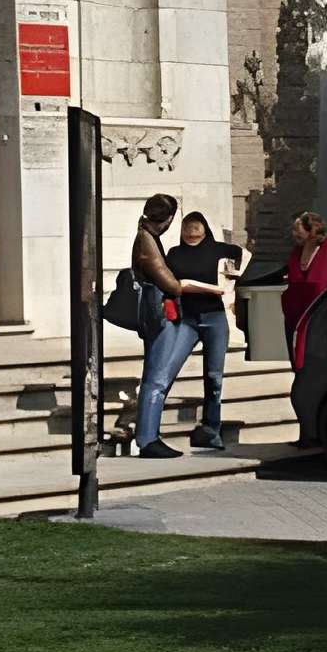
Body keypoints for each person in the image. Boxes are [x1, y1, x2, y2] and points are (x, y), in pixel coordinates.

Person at [130, 194, 213, 458]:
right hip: (159, 316)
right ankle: (147, 438)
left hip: (162, 315)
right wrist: (193, 285)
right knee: (157, 378)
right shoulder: (146, 242)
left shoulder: (146, 237)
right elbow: (169, 283)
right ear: (166, 220)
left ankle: (148, 435)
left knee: (158, 375)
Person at [164, 211, 244, 452]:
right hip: (186, 318)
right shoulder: (175, 253)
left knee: (214, 376)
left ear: (204, 228)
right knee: (167, 368)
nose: (191, 231)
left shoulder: (218, 249)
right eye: (187, 227)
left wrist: (231, 281)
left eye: (196, 227)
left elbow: (242, 257)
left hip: (214, 316)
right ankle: (150, 423)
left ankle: (211, 427)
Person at [281, 211, 327, 364]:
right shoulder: (296, 251)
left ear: (311, 231)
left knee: (316, 361)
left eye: (298, 231)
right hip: (294, 317)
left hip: (318, 318)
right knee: (296, 362)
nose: (294, 234)